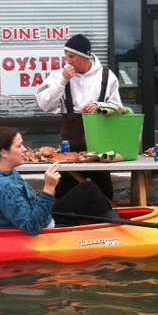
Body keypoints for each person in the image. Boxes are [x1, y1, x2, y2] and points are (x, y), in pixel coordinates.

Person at [0, 126, 118, 235]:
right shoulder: (4, 186)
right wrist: (48, 188)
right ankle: (117, 232)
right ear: (3, 152)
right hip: (42, 228)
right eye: (19, 146)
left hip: (42, 217)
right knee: (90, 192)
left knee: (87, 189)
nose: (25, 149)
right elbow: (31, 227)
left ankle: (112, 225)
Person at [35, 33, 122, 198]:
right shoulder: (59, 75)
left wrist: (99, 106)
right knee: (66, 195)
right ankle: (67, 220)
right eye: (66, 56)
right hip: (69, 148)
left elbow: (119, 109)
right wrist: (62, 81)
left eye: (71, 56)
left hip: (100, 147)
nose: (67, 60)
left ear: (85, 57)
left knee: (102, 195)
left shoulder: (106, 76)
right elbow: (44, 104)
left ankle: (103, 219)